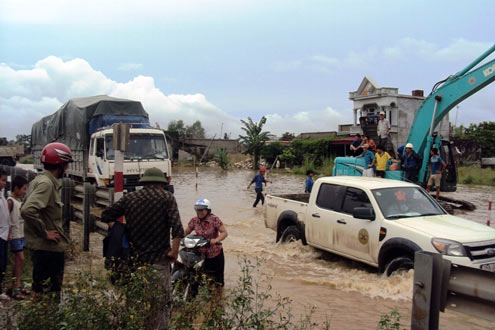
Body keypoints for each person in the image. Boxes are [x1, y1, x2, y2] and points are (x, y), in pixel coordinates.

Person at [101, 167, 184, 328]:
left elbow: (106, 215)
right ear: (161, 183)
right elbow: (177, 228)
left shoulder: (130, 198)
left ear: (144, 183)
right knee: (159, 307)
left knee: (135, 305)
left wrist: (120, 230)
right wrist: (174, 251)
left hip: (134, 262)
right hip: (159, 261)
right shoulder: (167, 198)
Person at [21, 142, 73, 297]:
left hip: (44, 250)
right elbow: (27, 210)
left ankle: (40, 320)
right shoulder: (46, 184)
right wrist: (45, 233)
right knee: (49, 296)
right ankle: (44, 321)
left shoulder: (40, 180)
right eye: (66, 164)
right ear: (61, 165)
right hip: (48, 250)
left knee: (41, 294)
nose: (67, 168)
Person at [184, 199, 227, 287]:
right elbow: (185, 232)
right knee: (199, 278)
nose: (199, 212)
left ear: (208, 210)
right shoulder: (194, 221)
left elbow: (224, 233)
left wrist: (215, 240)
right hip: (199, 254)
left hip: (215, 253)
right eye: (197, 209)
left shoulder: (214, 219)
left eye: (201, 210)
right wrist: (179, 238)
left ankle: (218, 298)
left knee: (218, 281)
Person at [8, 176, 30, 300]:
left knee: (20, 260)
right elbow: (6, 218)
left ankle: (18, 284)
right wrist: (9, 233)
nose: (24, 191)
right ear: (16, 188)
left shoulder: (19, 201)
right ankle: (15, 287)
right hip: (15, 235)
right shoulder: (10, 201)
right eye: (23, 189)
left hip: (21, 234)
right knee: (19, 259)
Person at [0, 169, 10, 307]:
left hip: (4, 234)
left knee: (2, 264)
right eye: (2, 180)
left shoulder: (2, 195)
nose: (4, 183)